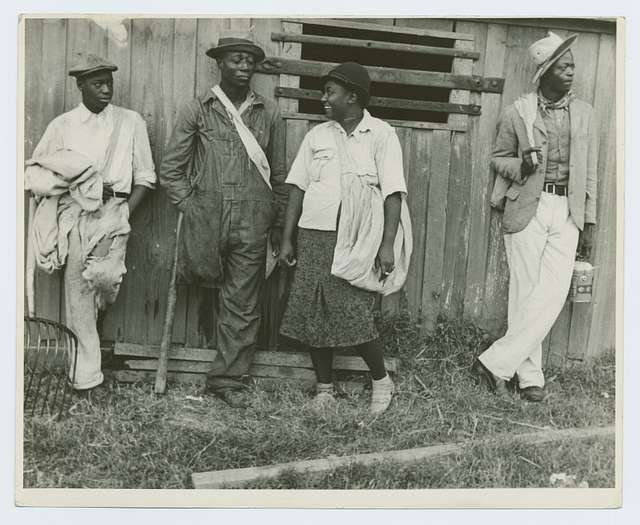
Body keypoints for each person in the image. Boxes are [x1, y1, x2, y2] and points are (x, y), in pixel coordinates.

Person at [159, 31, 287, 408]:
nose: (244, 67)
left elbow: (278, 174)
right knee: (200, 282)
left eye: (250, 61)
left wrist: (276, 221)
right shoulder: (198, 108)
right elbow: (171, 169)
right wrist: (192, 206)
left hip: (254, 219)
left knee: (243, 303)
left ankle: (227, 380)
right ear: (220, 63)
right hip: (207, 217)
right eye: (236, 59)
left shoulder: (270, 112)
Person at [278, 62, 411, 415]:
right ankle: (324, 389)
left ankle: (382, 381)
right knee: (311, 309)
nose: (323, 98)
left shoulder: (381, 134)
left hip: (356, 237)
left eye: (330, 92)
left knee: (352, 310)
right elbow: (297, 188)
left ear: (352, 97)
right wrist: (288, 238)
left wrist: (386, 244)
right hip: (314, 233)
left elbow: (393, 193)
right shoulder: (317, 136)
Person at [474, 32, 597, 402]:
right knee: (525, 292)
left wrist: (588, 220)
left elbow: (590, 171)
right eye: (564, 66)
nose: (571, 71)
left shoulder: (585, 113)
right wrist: (522, 166)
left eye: (572, 65)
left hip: (567, 210)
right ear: (545, 72)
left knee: (553, 293)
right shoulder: (519, 111)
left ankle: (495, 362)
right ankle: (530, 378)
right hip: (529, 204)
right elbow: (498, 158)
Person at [27, 53, 156, 393]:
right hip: (74, 214)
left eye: (109, 82)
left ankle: (91, 355)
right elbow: (36, 170)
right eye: (97, 83)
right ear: (80, 85)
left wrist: (125, 211)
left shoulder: (131, 122)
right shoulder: (63, 125)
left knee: (105, 281)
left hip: (114, 211)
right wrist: (67, 182)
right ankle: (86, 378)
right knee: (79, 293)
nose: (105, 89)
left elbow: (146, 177)